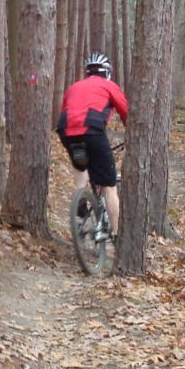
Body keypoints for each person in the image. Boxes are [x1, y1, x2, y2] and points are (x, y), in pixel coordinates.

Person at [57, 52, 128, 236]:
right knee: (109, 186)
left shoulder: (74, 86)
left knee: (82, 168)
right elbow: (127, 112)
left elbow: (66, 109)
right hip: (92, 131)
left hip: (67, 133)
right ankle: (116, 234)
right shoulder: (108, 85)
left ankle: (80, 198)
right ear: (107, 72)